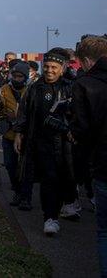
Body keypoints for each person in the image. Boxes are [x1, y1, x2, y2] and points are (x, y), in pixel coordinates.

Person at [15, 48, 78, 237]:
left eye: (54, 67)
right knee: (48, 180)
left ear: (62, 68)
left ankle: (64, 207)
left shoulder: (70, 87)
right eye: (47, 66)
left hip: (64, 143)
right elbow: (24, 112)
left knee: (64, 180)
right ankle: (50, 218)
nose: (50, 70)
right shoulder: (35, 87)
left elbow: (77, 114)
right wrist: (19, 133)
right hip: (39, 142)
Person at [71, 36, 107, 275]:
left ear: (85, 60)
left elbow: (81, 131)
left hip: (104, 165)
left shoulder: (85, 84)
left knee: (105, 231)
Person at [0, 61, 32, 210]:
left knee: (26, 168)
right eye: (15, 76)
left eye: (20, 76)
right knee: (9, 164)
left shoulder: (31, 90)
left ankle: (25, 197)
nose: (17, 79)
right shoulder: (4, 89)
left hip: (26, 134)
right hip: (9, 133)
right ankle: (17, 190)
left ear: (25, 77)